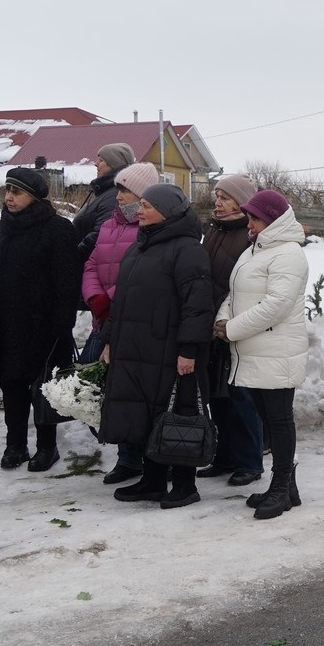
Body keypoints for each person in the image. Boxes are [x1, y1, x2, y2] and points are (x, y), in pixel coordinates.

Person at [100, 183, 213, 508]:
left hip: (171, 351)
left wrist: (189, 349)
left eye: (147, 205)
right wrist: (109, 338)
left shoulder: (188, 250)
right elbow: (120, 300)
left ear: (168, 211)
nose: (140, 210)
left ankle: (184, 485)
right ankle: (152, 481)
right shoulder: (140, 247)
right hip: (138, 348)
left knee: (178, 414)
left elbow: (197, 304)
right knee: (149, 415)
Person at [0, 167, 80, 474]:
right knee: (11, 385)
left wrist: (62, 325)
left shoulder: (58, 229)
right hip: (5, 323)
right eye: (7, 190)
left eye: (16, 192)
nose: (8, 197)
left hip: (42, 325)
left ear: (34, 197)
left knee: (43, 386)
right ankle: (15, 445)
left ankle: (47, 446)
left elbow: (66, 283)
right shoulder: (3, 228)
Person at [217, 189, 309, 519]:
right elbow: (235, 292)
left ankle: (281, 487)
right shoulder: (254, 250)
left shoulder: (288, 254)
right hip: (255, 351)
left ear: (271, 220)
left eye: (255, 218)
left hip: (277, 352)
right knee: (269, 419)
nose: (249, 223)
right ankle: (288, 487)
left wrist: (233, 329)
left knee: (279, 421)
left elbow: (276, 306)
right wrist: (223, 318)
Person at [81, 161, 157, 483]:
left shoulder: (148, 227)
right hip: (104, 318)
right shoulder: (110, 224)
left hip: (131, 319)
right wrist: (95, 298)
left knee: (131, 389)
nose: (119, 196)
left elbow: (141, 272)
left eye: (125, 190)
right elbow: (92, 264)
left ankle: (139, 456)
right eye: (119, 189)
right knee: (97, 382)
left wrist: (109, 297)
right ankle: (126, 457)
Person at [200, 173, 265, 482]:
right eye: (217, 196)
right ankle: (224, 457)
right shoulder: (213, 231)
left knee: (241, 398)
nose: (218, 202)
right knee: (218, 397)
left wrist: (230, 320)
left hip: (237, 327)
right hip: (212, 326)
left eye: (225, 197)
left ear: (241, 202)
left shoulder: (250, 237)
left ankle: (250, 462)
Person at [72, 142, 135, 258]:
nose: (96, 164)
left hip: (86, 264)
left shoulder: (115, 195)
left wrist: (73, 255)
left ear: (114, 165)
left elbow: (102, 235)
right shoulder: (105, 192)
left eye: (101, 160)